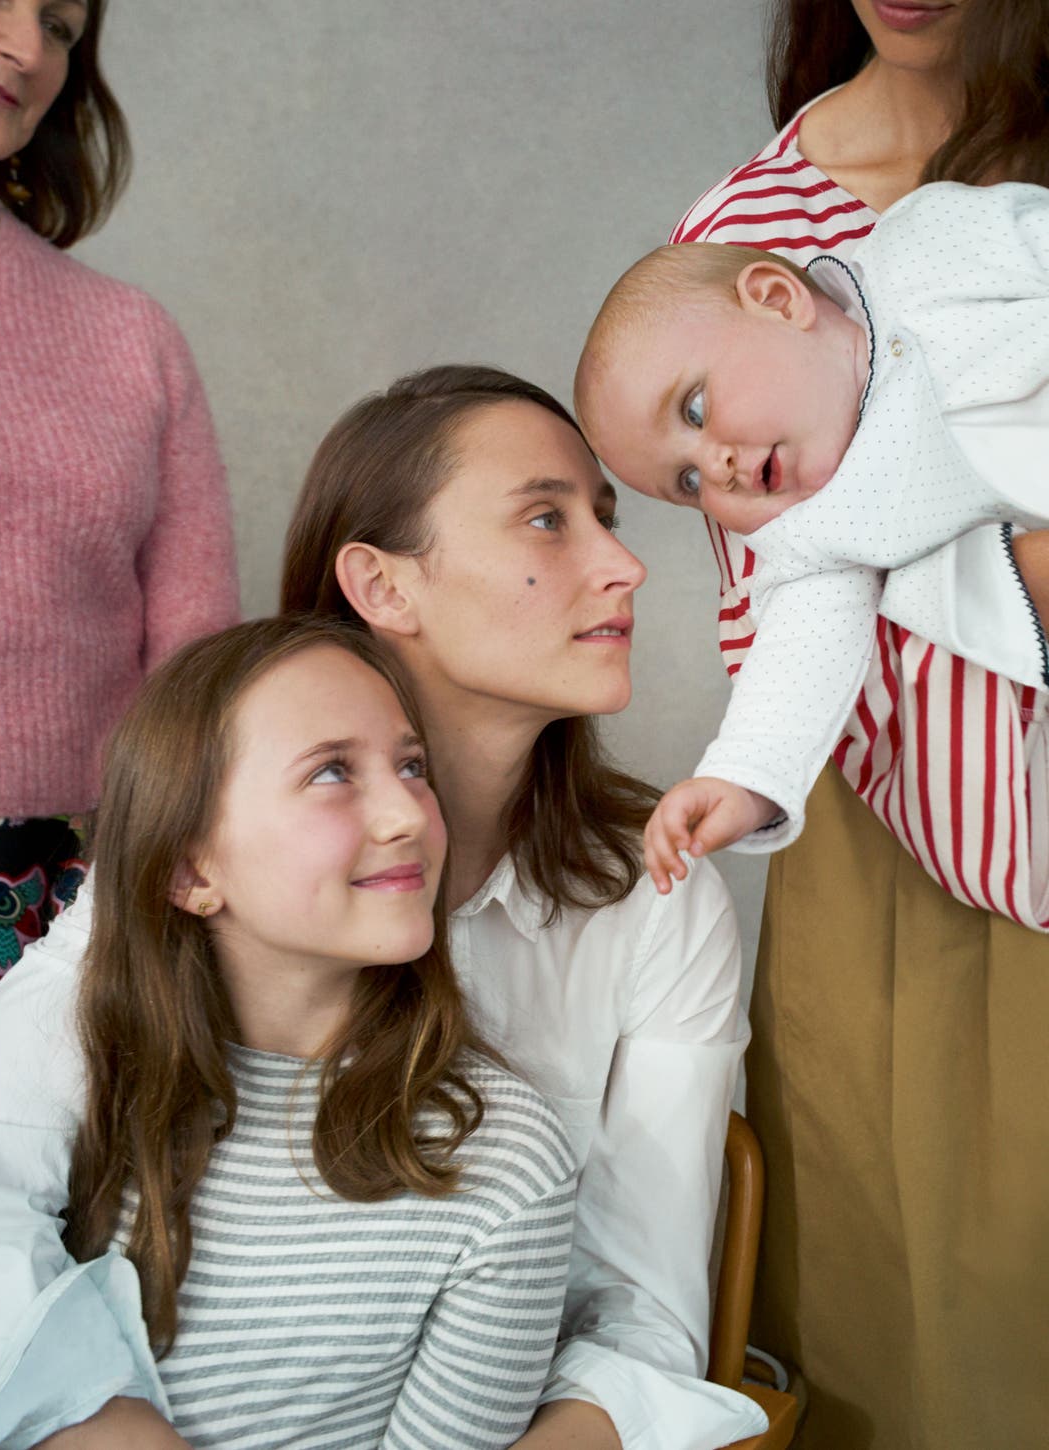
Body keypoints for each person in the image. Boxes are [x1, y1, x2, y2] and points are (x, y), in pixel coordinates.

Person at [0, 367, 766, 1450]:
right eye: (546, 518)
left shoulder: (660, 899)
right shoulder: (195, 848)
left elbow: (643, 1317)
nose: (626, 565)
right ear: (382, 586)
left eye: (605, 517)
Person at [0, 614, 579, 1450]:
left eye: (412, 766)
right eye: (332, 771)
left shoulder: (502, 1164)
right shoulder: (77, 1081)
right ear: (189, 869)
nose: (408, 813)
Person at [661, 1, 1049, 1445]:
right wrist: (744, 775)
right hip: (893, 844)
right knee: (905, 1341)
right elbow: (786, 598)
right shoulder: (742, 232)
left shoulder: (985, 228)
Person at [0, 0, 239, 1225]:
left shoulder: (127, 338)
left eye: (60, 21)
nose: (30, 48)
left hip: (61, 913)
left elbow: (197, 673)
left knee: (21, 1293)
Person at [575, 181, 1048, 882]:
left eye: (695, 409)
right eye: (688, 483)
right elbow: (798, 659)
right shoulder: (817, 532)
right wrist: (742, 780)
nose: (715, 466)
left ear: (776, 299)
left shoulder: (925, 246)